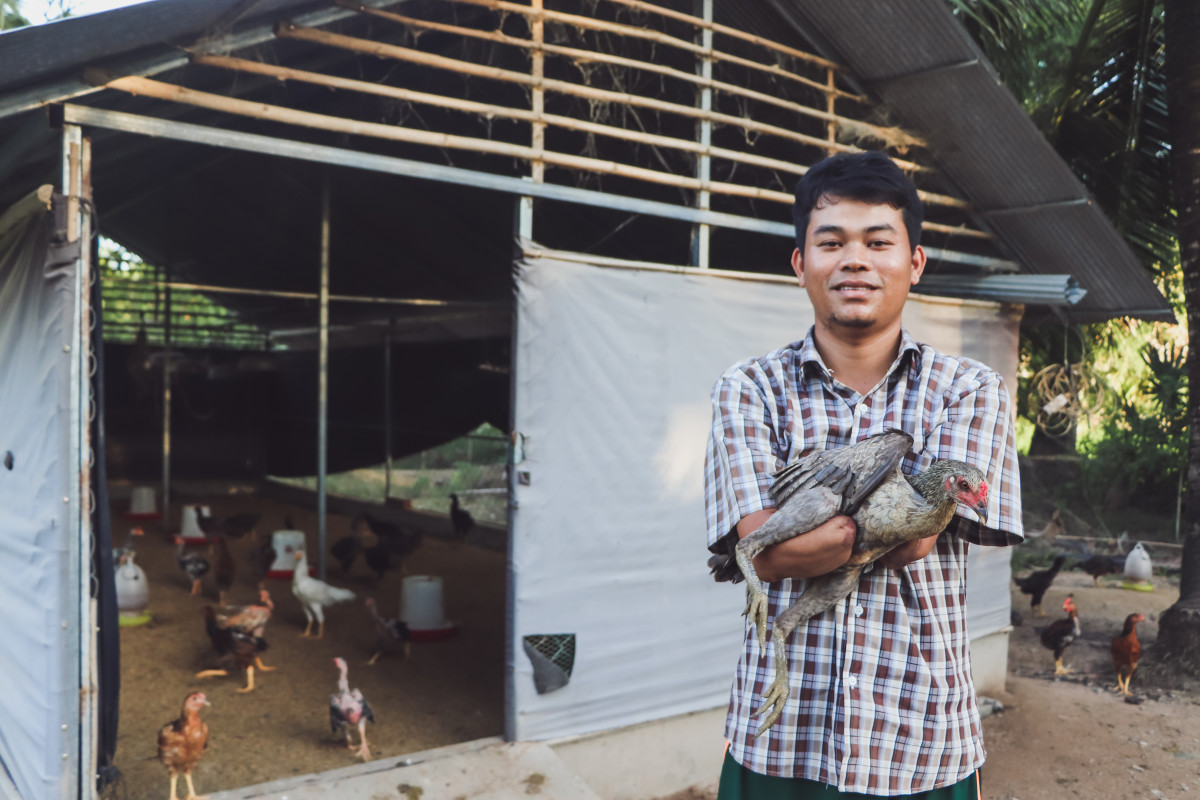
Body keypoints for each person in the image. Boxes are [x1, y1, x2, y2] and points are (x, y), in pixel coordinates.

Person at [703, 151, 1023, 798]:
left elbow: (915, 540)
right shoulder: (751, 388)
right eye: (832, 243)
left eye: (878, 242)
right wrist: (804, 539)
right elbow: (765, 553)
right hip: (783, 742)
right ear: (801, 264)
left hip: (922, 738)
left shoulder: (968, 389)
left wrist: (812, 528)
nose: (855, 260)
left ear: (915, 262)